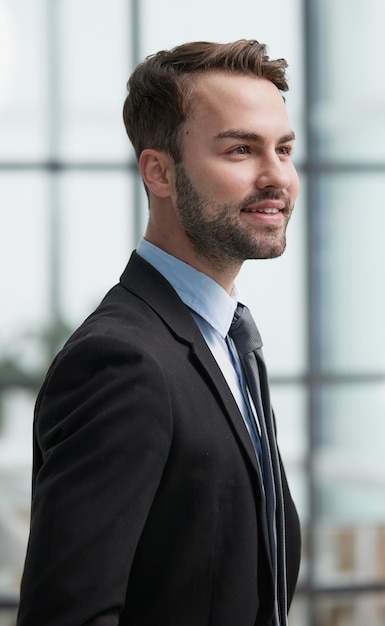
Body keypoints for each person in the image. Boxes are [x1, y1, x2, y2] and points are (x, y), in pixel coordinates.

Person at [17, 39, 301, 626]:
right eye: (241, 150)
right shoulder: (121, 361)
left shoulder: (233, 342)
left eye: (284, 149)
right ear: (160, 172)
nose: (277, 176)